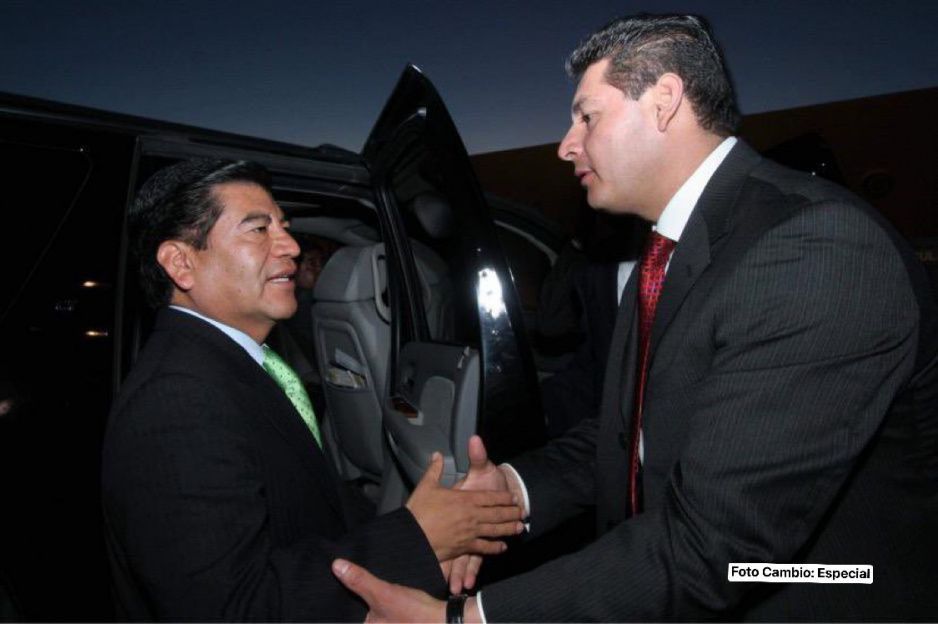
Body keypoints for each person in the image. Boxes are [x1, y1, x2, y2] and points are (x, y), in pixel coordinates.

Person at [331, 14, 938, 621]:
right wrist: (510, 492)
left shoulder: (810, 247)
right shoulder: (668, 250)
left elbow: (720, 549)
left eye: (586, 117)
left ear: (664, 101)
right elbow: (631, 432)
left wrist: (466, 618)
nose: (566, 145)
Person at [101, 159, 524, 621]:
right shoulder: (175, 403)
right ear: (181, 263)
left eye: (283, 226)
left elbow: (312, 513)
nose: (291, 246)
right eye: (258, 229)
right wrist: (418, 535)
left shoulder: (238, 366)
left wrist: (431, 529)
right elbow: (232, 610)